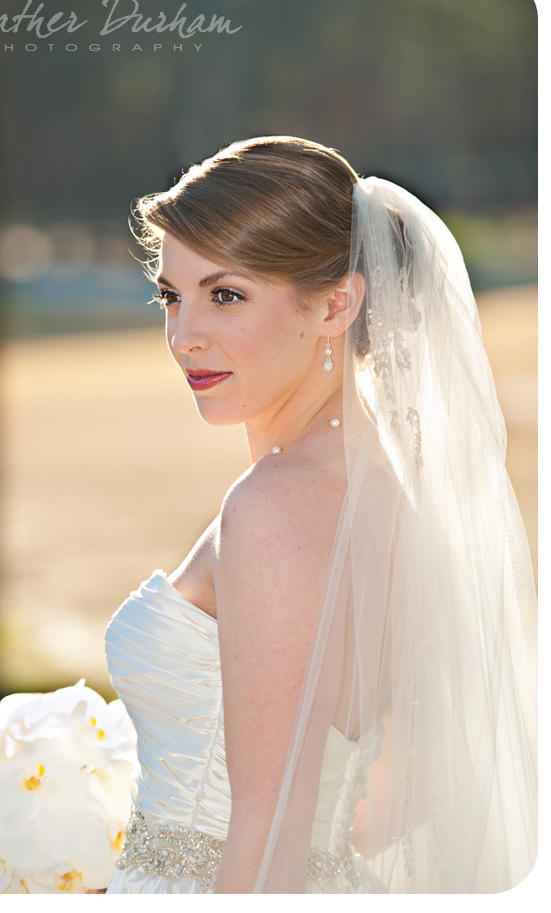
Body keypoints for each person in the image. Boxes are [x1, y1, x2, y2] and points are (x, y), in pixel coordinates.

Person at [103, 136, 537, 894]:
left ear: (336, 304)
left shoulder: (274, 506)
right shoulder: (383, 490)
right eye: (171, 296)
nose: (183, 336)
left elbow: (268, 829)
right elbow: (406, 787)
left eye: (225, 295)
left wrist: (179, 863)